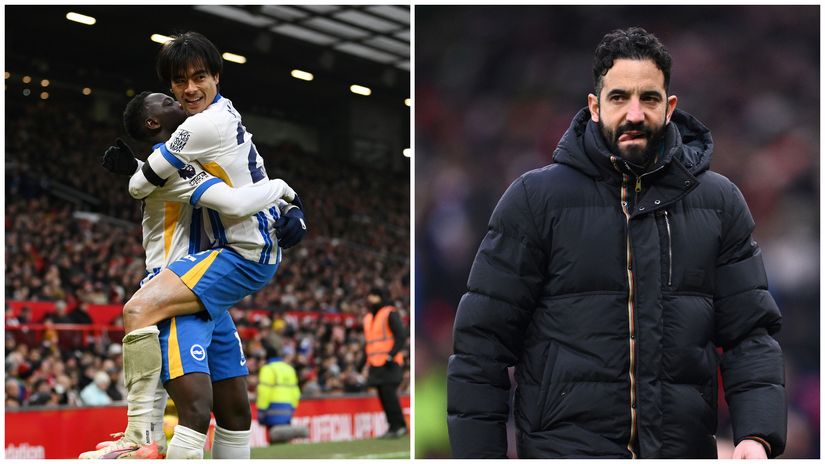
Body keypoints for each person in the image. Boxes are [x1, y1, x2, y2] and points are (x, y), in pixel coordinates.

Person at [446, 27, 786, 459]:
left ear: (670, 106)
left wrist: (757, 435)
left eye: (649, 98)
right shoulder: (535, 201)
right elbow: (481, 346)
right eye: (619, 97)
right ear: (594, 106)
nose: (634, 113)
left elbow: (750, 335)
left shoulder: (719, 203)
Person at [81, 90, 303, 459]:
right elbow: (235, 202)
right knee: (196, 412)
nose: (178, 102)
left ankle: (144, 434)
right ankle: (140, 433)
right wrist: (286, 190)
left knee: (235, 414)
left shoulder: (184, 159)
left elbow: (155, 179)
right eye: (166, 103)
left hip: (202, 286)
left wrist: (292, 210)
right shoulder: (174, 166)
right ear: (153, 123)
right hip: (173, 285)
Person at [363, 287, 407, 438]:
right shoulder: (368, 317)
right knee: (383, 396)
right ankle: (392, 427)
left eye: (374, 296)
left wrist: (391, 355)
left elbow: (400, 336)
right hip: (375, 363)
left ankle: (399, 426)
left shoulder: (389, 313)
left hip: (389, 363)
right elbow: (369, 343)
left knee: (389, 395)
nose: (371, 299)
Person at [256, 334, 306, 444]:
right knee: (285, 439)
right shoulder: (289, 369)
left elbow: (264, 392)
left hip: (271, 409)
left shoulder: (267, 369)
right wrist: (292, 407)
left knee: (274, 438)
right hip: (287, 409)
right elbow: (296, 392)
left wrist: (261, 410)